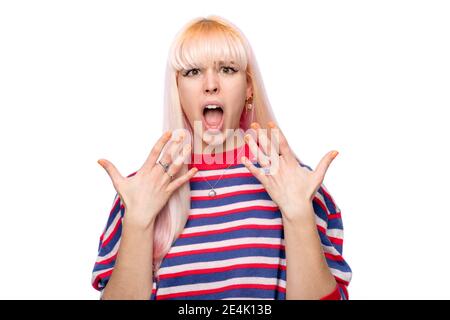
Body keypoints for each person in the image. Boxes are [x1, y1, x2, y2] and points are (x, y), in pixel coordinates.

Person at [92, 15, 352, 300]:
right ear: (177, 90)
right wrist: (138, 220)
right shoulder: (141, 191)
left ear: (249, 88)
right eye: (193, 72)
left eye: (227, 69)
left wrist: (299, 215)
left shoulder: (297, 184)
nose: (211, 84)